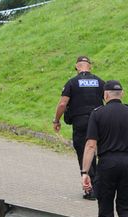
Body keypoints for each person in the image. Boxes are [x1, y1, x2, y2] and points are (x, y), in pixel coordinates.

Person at [82, 80, 128, 217]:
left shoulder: (97, 113)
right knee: (126, 208)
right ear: (122, 94)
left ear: (105, 94)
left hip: (107, 164)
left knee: (105, 209)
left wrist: (85, 172)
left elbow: (91, 145)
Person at [53, 55, 105, 200]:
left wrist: (56, 120)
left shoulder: (72, 82)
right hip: (99, 122)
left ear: (77, 67)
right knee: (102, 154)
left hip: (80, 123)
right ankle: (102, 187)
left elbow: (63, 104)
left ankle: (90, 189)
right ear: (90, 66)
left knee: (84, 154)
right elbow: (110, 98)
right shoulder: (100, 82)